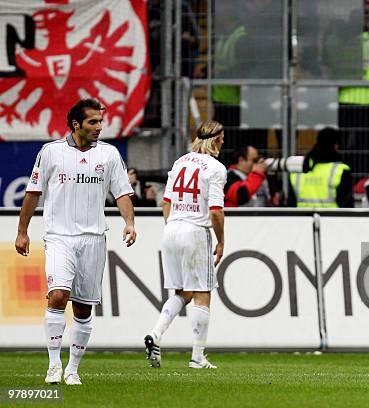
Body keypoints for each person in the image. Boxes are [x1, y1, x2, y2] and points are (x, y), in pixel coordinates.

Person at [15, 98, 136, 385]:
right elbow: (33, 193)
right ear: (75, 124)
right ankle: (54, 365)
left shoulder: (109, 155)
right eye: (93, 122)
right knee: (58, 295)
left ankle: (73, 369)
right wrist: (22, 231)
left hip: (93, 239)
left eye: (100, 121)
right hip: (59, 237)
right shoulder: (51, 152)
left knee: (83, 308)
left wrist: (129, 223)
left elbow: (121, 193)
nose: (99, 127)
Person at [144, 120, 226, 370]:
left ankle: (155, 335)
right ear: (216, 140)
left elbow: (166, 202)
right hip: (195, 231)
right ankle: (197, 357)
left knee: (182, 292)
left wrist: (172, 226)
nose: (223, 143)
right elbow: (215, 212)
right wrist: (221, 240)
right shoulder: (216, 168)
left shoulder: (180, 162)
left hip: (171, 229)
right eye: (222, 139)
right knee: (202, 293)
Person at [288, 128, 353, 208]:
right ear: (336, 146)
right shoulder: (340, 170)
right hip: (331, 219)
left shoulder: (300, 168)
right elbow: (346, 206)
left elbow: (290, 203)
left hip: (302, 219)